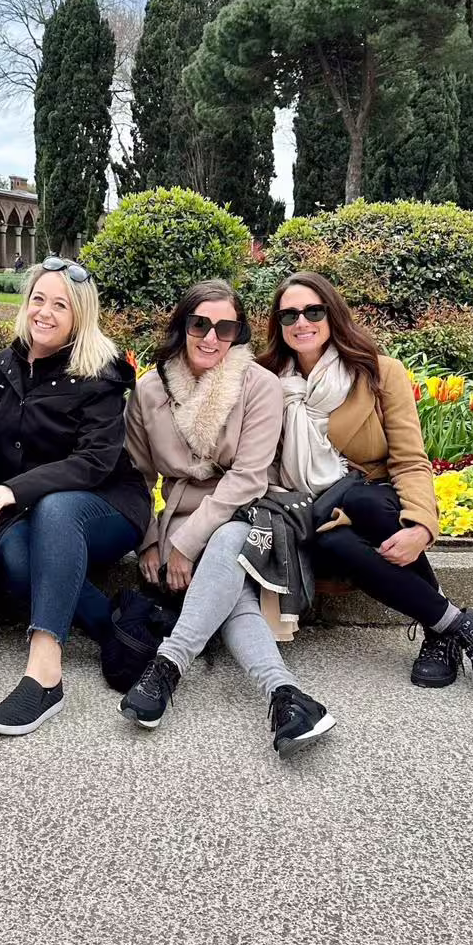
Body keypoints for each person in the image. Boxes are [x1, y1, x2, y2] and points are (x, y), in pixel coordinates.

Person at [259, 271, 473, 699]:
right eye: (289, 315)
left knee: (362, 501)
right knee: (333, 542)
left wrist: (420, 527)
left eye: (312, 311)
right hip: (306, 508)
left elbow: (410, 460)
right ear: (278, 324)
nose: (301, 322)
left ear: (332, 314)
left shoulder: (378, 372)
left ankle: (443, 634)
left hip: (375, 499)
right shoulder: (267, 380)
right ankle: (458, 629)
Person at [122, 281, 335, 754]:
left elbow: (249, 477)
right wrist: (152, 543)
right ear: (182, 326)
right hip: (178, 512)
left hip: (246, 509)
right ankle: (287, 695)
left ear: (238, 334)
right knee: (234, 592)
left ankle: (168, 665)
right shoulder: (150, 389)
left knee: (224, 545)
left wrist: (185, 544)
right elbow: (137, 478)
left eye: (226, 327)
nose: (211, 338)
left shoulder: (259, 385)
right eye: (200, 324)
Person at [0, 257, 150, 737]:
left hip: (108, 504)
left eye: (61, 305)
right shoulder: (8, 363)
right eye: (38, 299)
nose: (45, 313)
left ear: (81, 315)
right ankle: (116, 631)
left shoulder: (100, 371)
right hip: (35, 508)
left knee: (59, 510)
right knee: (15, 560)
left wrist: (14, 490)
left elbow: (94, 463)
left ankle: (44, 671)